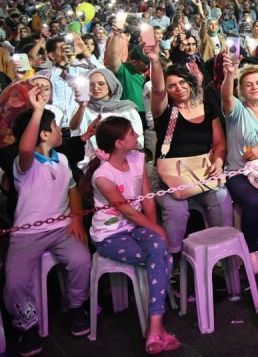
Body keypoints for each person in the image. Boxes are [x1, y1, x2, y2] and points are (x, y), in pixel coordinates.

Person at [3, 87, 91, 356]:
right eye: (54, 126)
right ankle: (28, 325)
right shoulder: (25, 163)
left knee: (81, 261)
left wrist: (76, 220)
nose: (59, 130)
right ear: (42, 133)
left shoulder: (62, 159)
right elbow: (27, 146)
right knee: (15, 281)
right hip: (27, 234)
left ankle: (75, 307)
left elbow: (72, 189)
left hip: (62, 229)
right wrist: (38, 110)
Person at [80, 117, 179, 354]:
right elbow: (127, 212)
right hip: (110, 235)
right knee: (162, 257)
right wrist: (159, 232)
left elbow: (147, 199)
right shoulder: (103, 176)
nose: (137, 135)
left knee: (158, 249)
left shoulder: (137, 158)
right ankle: (156, 325)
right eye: (132, 133)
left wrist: (154, 230)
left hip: (136, 227)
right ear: (119, 143)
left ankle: (154, 326)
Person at [148, 48, 233, 266]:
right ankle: (173, 260)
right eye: (172, 86)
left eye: (182, 83)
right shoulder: (164, 110)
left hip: (201, 171)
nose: (178, 88)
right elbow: (157, 90)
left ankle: (223, 255)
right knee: (177, 209)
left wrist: (219, 160)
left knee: (221, 199)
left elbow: (220, 143)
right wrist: (155, 62)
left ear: (190, 82)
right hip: (170, 176)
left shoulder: (206, 107)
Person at [220, 56, 258, 275]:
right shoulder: (236, 110)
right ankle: (251, 251)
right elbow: (226, 97)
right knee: (254, 203)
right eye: (248, 84)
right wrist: (229, 74)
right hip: (239, 172)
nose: (255, 87)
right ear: (241, 90)